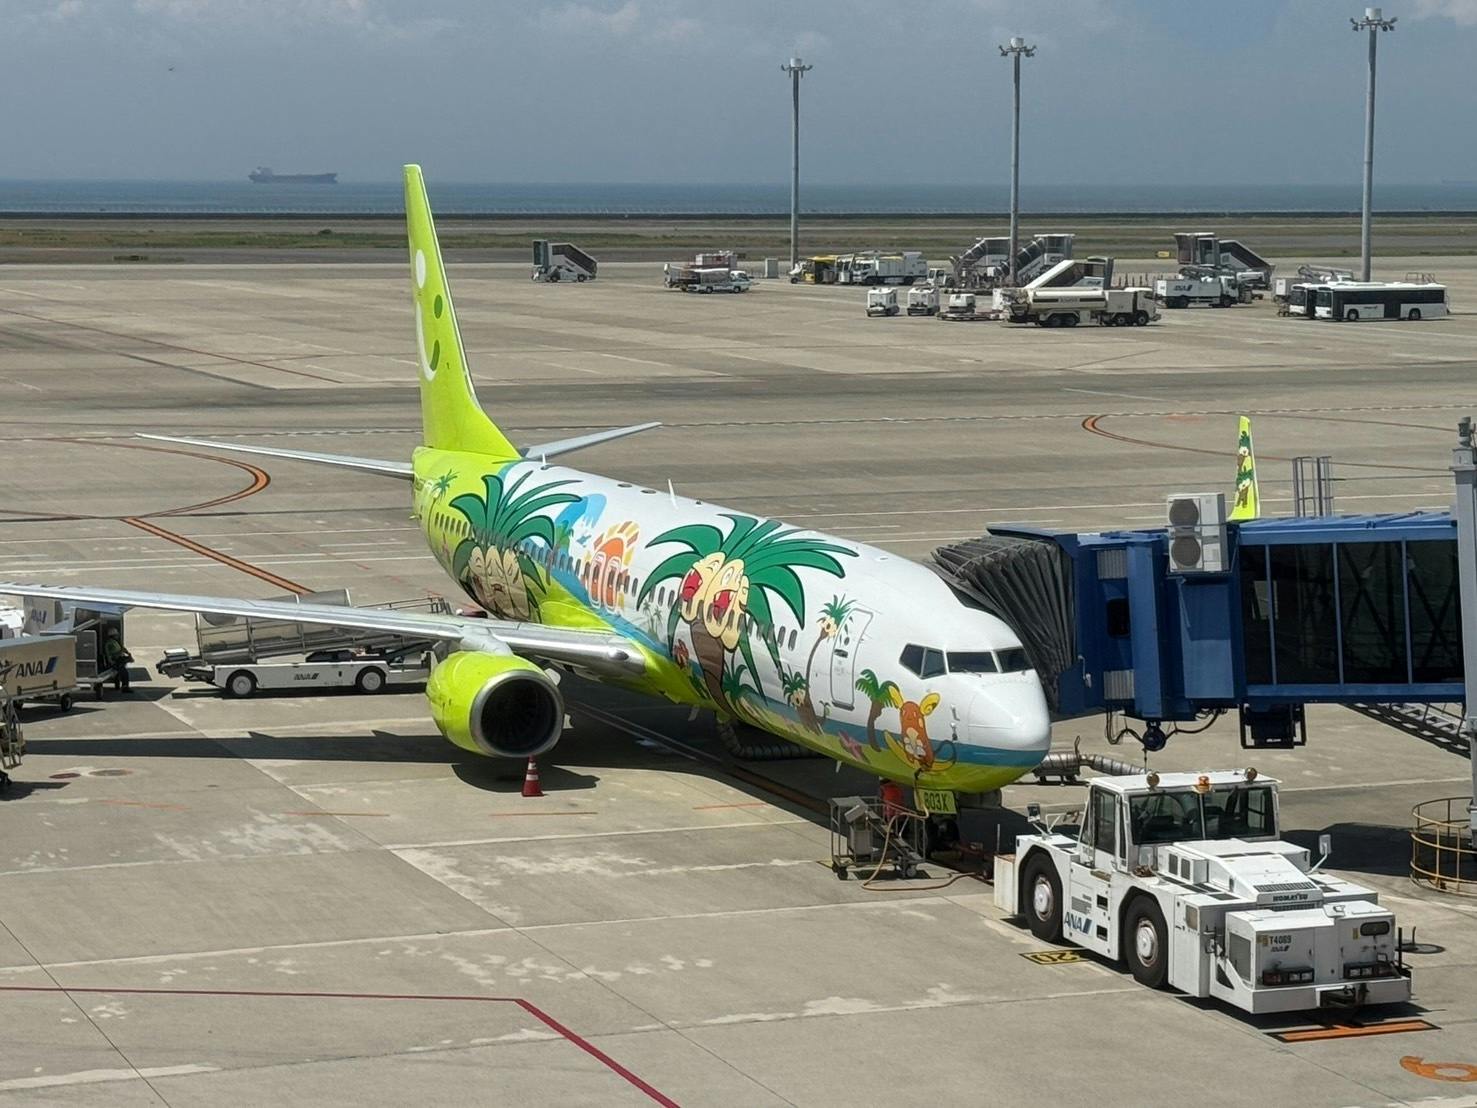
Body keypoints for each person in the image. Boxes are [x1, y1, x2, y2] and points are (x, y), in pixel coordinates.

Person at [102, 628, 133, 693]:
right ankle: (125, 687)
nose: (117, 636)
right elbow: (113, 654)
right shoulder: (110, 643)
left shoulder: (115, 642)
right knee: (124, 673)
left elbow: (121, 649)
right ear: (113, 635)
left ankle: (123, 685)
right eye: (116, 635)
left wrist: (126, 652)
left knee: (123, 670)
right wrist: (121, 652)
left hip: (118, 659)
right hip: (115, 661)